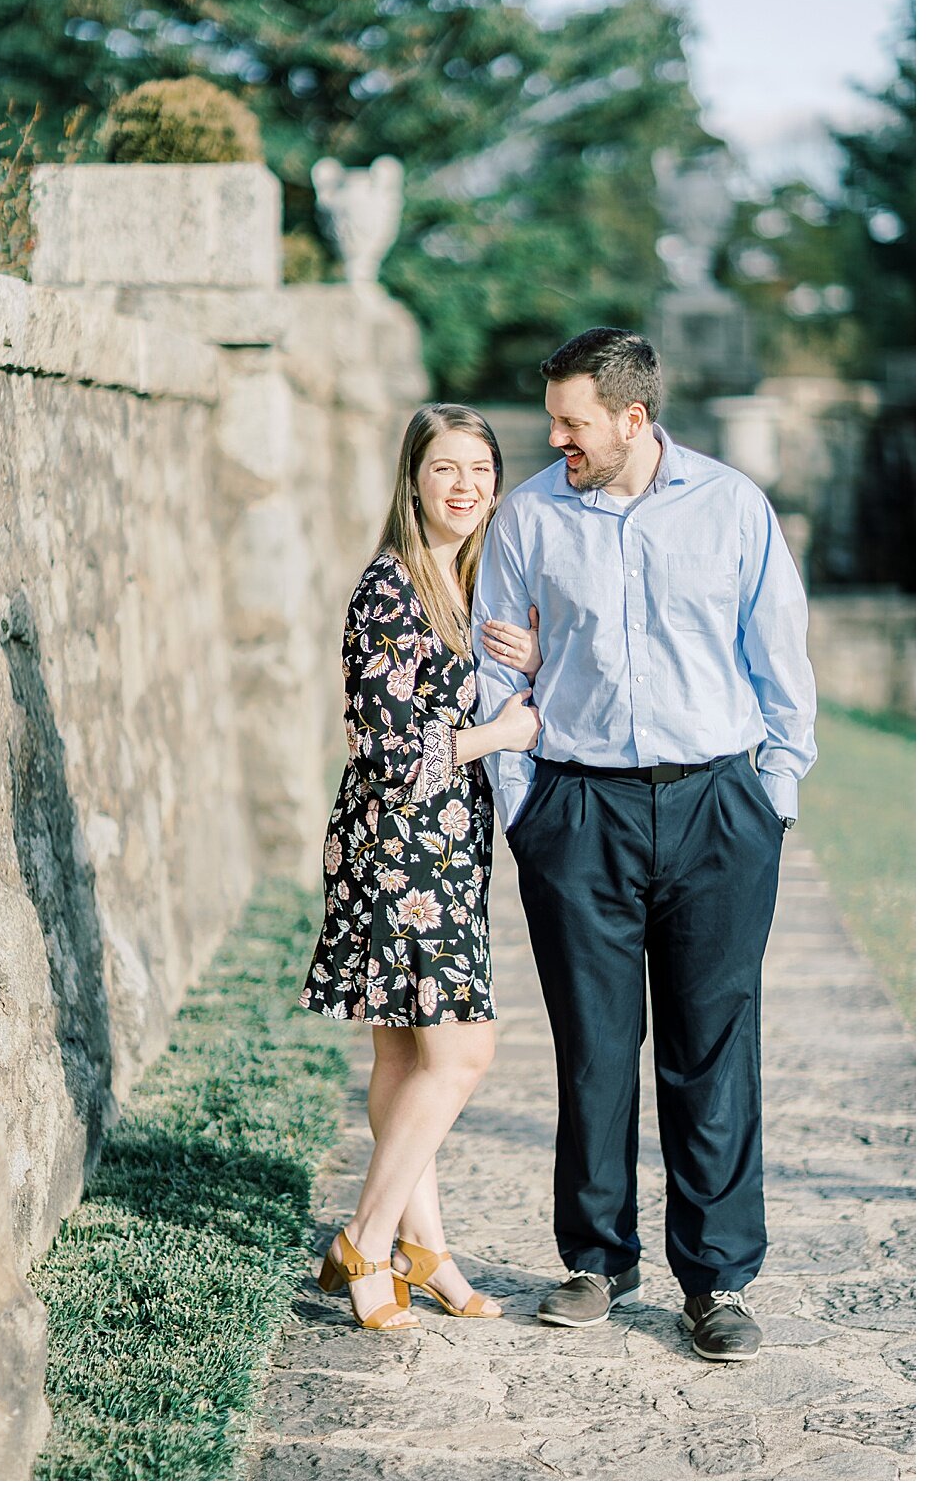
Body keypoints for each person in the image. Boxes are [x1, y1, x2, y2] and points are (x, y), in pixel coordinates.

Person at [472, 328, 817, 1363]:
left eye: (573, 420)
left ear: (633, 416)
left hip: (717, 807)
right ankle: (595, 1256)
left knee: (712, 1045)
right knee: (592, 1041)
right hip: (579, 812)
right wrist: (528, 810)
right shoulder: (531, 515)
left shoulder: (731, 507)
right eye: (552, 418)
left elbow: (779, 655)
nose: (554, 436)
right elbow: (500, 666)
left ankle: (716, 1278)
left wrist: (773, 799)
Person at [300, 403, 541, 1331]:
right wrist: (503, 730)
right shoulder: (388, 591)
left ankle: (423, 1248)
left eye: (481, 469)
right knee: (462, 1049)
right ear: (413, 480)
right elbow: (394, 756)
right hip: (399, 846)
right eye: (446, 468)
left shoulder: (469, 584)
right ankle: (364, 1238)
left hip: (447, 849)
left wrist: (530, 656)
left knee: (404, 1051)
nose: (466, 486)